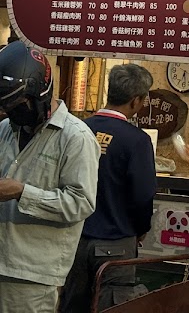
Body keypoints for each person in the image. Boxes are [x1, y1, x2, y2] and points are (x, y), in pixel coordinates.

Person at [0, 41, 100, 313]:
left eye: (17, 105)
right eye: (6, 106)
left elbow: (81, 203)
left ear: (40, 93)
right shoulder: (6, 129)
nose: (11, 113)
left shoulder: (76, 138)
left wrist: (21, 192)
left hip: (31, 274)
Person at [60, 63, 158, 313]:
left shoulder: (77, 129)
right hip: (116, 244)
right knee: (112, 307)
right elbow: (143, 195)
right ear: (136, 101)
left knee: (72, 305)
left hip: (74, 240)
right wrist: (141, 228)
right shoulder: (137, 140)